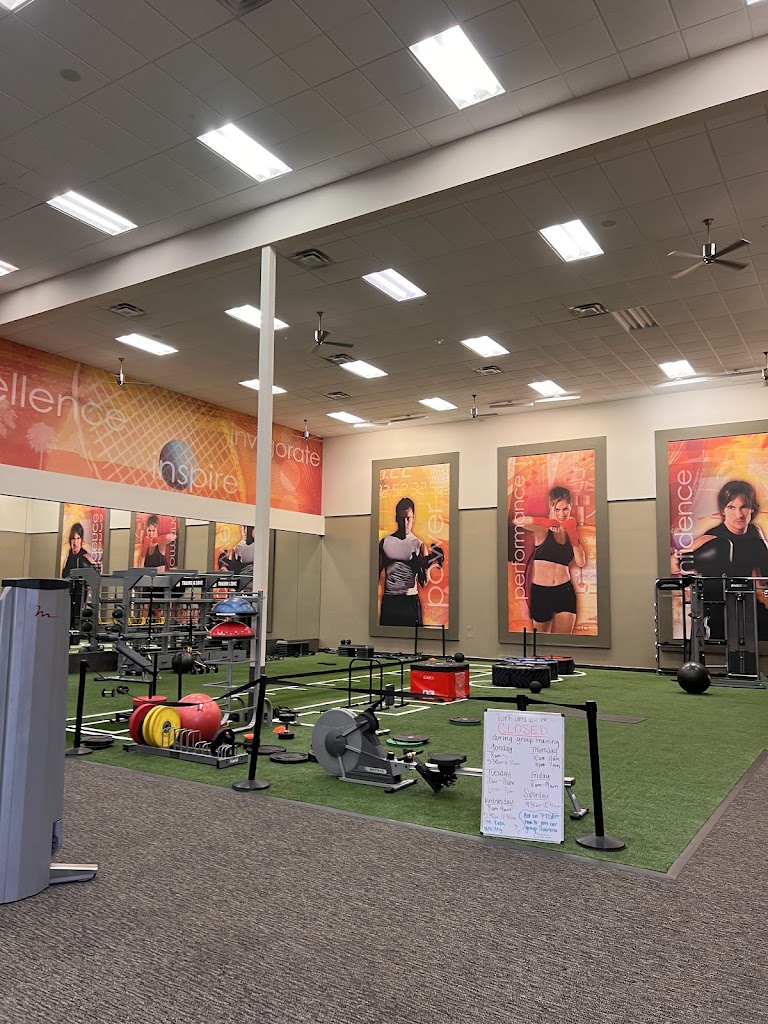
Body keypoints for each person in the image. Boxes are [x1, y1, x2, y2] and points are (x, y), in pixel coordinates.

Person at [673, 479, 768, 637]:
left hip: (749, 607)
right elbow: (675, 563)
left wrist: (764, 596)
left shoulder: (754, 532)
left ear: (752, 508)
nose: (738, 514)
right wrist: (683, 560)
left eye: (744, 507)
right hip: (721, 610)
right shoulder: (711, 538)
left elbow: (759, 573)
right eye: (731, 507)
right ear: (723, 510)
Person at [518, 486, 586, 634]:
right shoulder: (542, 529)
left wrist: (573, 534)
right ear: (551, 507)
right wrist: (545, 522)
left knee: (563, 642)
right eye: (557, 509)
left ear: (571, 506)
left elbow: (581, 562)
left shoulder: (570, 529)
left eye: (565, 509)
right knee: (540, 643)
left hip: (564, 591)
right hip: (541, 592)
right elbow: (518, 521)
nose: (562, 514)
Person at [379, 497, 443, 627]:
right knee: (386, 638)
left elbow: (423, 583)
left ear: (413, 518)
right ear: (396, 518)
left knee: (415, 639)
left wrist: (425, 567)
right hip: (390, 600)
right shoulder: (385, 543)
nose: (405, 523)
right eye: (401, 518)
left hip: (410, 601)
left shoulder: (419, 545)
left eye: (408, 518)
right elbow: (375, 575)